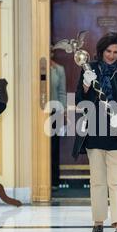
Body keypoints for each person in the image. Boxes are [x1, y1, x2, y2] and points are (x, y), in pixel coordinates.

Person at [73, 32, 117, 232]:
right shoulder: (88, 69)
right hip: (94, 134)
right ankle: (98, 223)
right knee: (98, 182)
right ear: (101, 51)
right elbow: (80, 102)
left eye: (116, 52)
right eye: (108, 52)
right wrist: (85, 85)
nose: (111, 56)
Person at [50, 54, 67, 191]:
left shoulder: (58, 69)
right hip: (39, 112)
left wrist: (63, 111)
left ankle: (54, 181)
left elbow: (62, 93)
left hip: (54, 111)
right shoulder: (37, 67)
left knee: (54, 146)